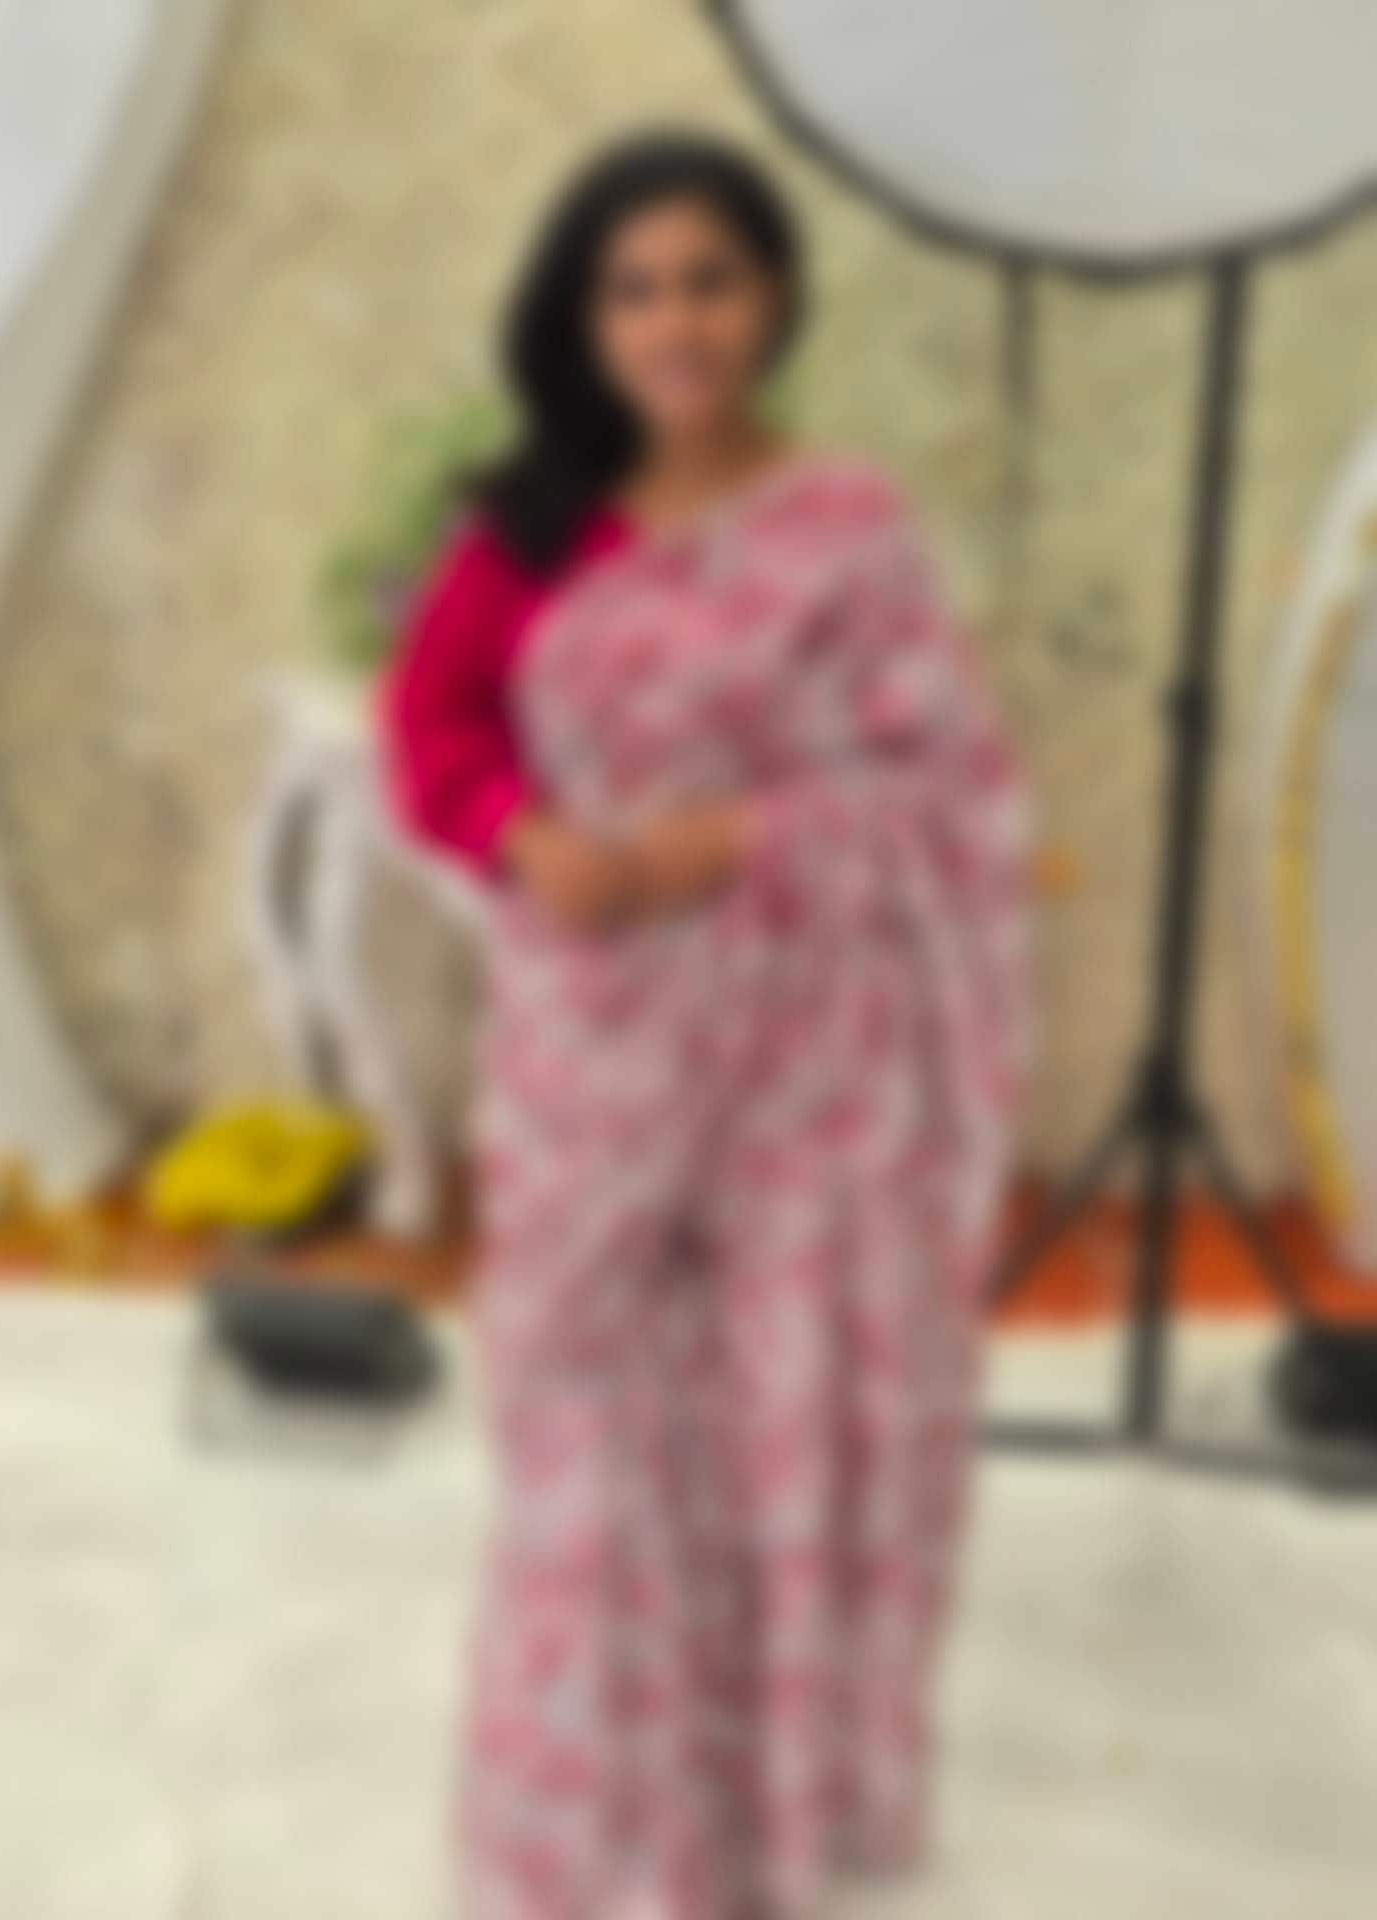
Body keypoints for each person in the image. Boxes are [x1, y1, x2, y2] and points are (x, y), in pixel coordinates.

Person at [378, 129, 1030, 1920]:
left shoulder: (847, 535)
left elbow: (953, 794)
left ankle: (752, 1839)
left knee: (776, 1431)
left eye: (711, 282)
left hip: (815, 1091)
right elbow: (432, 730)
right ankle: (589, 1841)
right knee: (590, 1448)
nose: (676, 323)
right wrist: (522, 835)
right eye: (636, 290)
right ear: (585, 320)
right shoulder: (531, 525)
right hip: (594, 1056)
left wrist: (740, 839)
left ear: (775, 299)